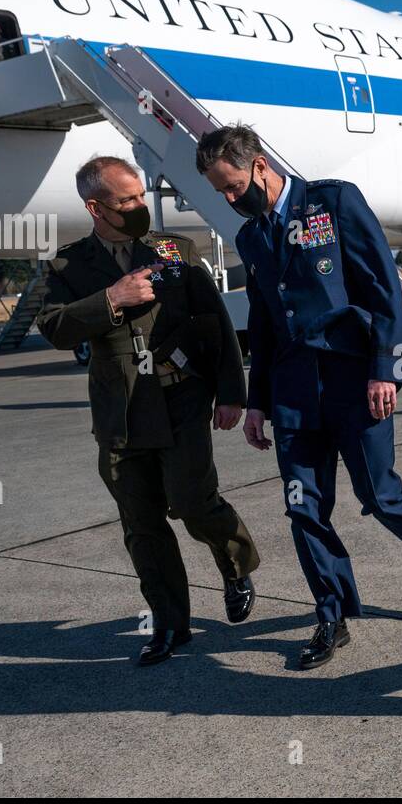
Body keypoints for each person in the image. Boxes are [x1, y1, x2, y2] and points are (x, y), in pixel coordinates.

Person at [197, 124, 402, 670]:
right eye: (221, 192)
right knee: (302, 507)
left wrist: (384, 369)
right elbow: (262, 325)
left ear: (260, 164)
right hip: (291, 395)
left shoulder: (333, 201)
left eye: (234, 185)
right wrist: (257, 400)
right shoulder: (250, 238)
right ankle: (330, 614)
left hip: (354, 382)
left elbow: (383, 286)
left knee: (378, 495)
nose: (231, 199)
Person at [36, 156, 260, 667]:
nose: (140, 206)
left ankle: (235, 564)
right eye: (127, 200)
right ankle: (169, 624)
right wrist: (111, 298)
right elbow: (53, 328)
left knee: (193, 501)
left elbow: (213, 321)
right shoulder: (67, 266)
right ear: (95, 207)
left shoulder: (172, 251)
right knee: (141, 524)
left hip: (181, 398)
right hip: (121, 412)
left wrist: (231, 392)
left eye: (141, 196)